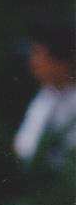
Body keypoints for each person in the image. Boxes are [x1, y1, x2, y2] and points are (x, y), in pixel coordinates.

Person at [13, 22, 76, 170]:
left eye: (38, 55)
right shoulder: (45, 98)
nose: (32, 63)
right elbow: (23, 147)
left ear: (61, 61)